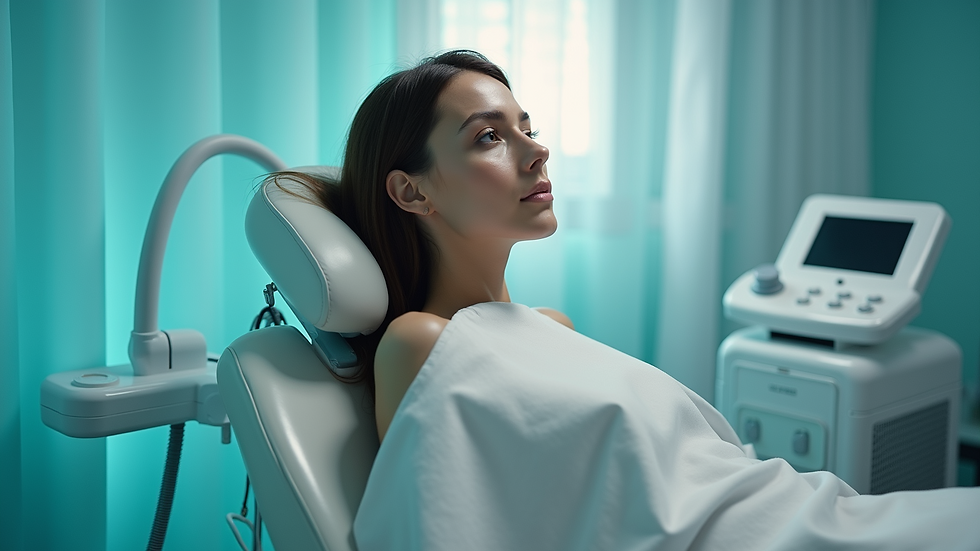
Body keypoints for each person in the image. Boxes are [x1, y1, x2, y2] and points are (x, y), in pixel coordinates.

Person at [271, 49, 572, 439]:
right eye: (488, 137)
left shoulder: (553, 328)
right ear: (411, 192)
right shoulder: (421, 343)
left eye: (528, 132)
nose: (539, 152)